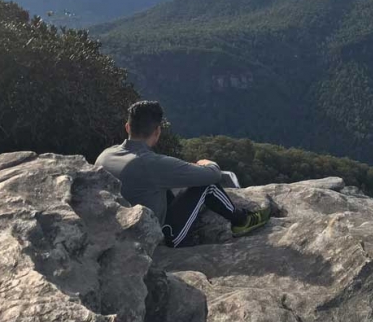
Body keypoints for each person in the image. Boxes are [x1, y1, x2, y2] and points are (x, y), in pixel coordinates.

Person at [96, 101, 270, 247]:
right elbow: (213, 175)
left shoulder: (105, 155)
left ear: (127, 127)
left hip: (119, 235)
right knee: (207, 186)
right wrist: (207, 163)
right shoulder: (153, 163)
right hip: (164, 238)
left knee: (165, 189)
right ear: (157, 131)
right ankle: (242, 220)